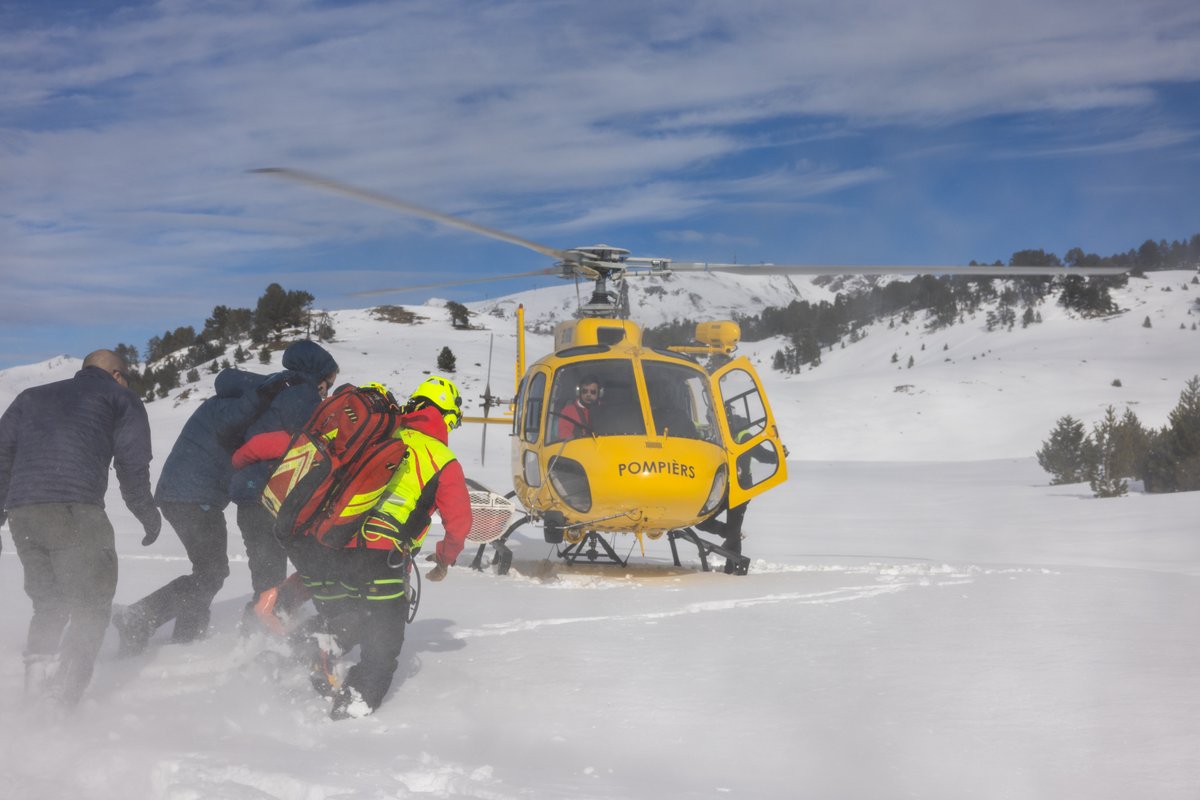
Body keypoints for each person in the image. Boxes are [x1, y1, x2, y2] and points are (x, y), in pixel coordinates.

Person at [293, 376, 473, 720]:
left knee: (349, 615)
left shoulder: (380, 434)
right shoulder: (442, 457)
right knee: (381, 646)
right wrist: (445, 560)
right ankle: (349, 718)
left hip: (329, 546)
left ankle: (296, 655)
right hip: (380, 557)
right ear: (447, 417)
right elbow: (459, 523)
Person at [111, 357, 309, 654]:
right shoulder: (227, 407)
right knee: (211, 572)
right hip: (192, 496)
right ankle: (140, 617)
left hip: (187, 494)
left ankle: (186, 638)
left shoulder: (221, 404)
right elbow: (238, 420)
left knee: (208, 570)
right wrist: (265, 395)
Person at [0, 349, 161, 707]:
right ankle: (62, 702)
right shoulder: (120, 397)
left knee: (49, 604)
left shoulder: (30, 397)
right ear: (118, 375)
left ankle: (33, 692)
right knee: (91, 606)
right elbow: (133, 466)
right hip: (75, 511)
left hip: (24, 513)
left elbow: (2, 456)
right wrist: (148, 515)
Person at [228, 341, 338, 625]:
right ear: (319, 375)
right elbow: (307, 446)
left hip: (256, 494)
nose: (327, 391)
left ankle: (262, 629)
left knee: (269, 575)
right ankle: (261, 636)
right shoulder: (302, 395)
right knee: (273, 577)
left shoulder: (286, 389)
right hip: (265, 496)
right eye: (328, 383)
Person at [695, 407, 784, 574]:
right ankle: (730, 535)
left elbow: (762, 455)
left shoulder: (744, 436)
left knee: (733, 531)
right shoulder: (715, 434)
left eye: (713, 418)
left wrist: (778, 454)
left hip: (740, 490)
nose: (711, 422)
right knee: (702, 522)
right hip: (721, 490)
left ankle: (733, 568)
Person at [556, 375, 602, 440]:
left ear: (598, 394)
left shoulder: (604, 411)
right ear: (579, 392)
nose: (588, 395)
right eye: (585, 391)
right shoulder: (568, 411)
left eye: (593, 392)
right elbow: (564, 435)